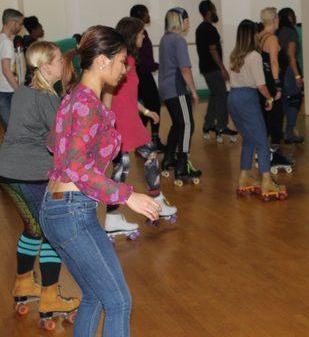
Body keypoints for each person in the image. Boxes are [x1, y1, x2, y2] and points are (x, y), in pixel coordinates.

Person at [39, 25, 161, 337]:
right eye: (122, 61)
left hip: (59, 209)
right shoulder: (85, 103)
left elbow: (56, 144)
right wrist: (127, 195)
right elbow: (77, 165)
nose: (125, 68)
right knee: (119, 300)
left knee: (95, 295)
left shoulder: (76, 97)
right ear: (103, 61)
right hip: (71, 212)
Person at [0, 41, 80, 328]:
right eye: (58, 59)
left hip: (7, 171)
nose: (63, 64)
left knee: (32, 228)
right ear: (45, 65)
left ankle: (23, 285)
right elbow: (61, 141)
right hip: (29, 174)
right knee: (50, 232)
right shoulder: (47, 99)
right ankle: (49, 298)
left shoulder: (23, 91)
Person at [103, 17, 177, 239]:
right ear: (132, 35)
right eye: (142, 33)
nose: (144, 37)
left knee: (134, 162)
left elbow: (126, 96)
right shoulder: (124, 62)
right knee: (131, 164)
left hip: (128, 120)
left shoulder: (127, 60)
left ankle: (119, 213)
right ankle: (150, 203)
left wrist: (145, 112)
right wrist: (106, 121)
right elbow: (108, 90)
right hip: (120, 123)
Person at [227, 20, 286, 200]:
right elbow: (260, 84)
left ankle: (244, 177)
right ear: (252, 35)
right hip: (247, 98)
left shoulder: (234, 55)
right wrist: (269, 97)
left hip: (233, 97)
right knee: (261, 140)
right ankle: (267, 180)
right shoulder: (254, 56)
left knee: (249, 140)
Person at [158, 7, 202, 184]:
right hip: (176, 88)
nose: (188, 23)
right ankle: (182, 166)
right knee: (187, 125)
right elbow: (184, 69)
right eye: (187, 19)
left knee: (178, 124)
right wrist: (193, 90)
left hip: (165, 88)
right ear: (179, 21)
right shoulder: (178, 40)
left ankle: (169, 158)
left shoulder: (165, 39)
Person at [196, 0, 237, 142]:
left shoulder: (200, 28)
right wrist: (223, 69)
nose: (215, 12)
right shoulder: (210, 29)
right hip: (213, 69)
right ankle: (221, 126)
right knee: (222, 96)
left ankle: (208, 125)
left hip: (206, 68)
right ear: (209, 11)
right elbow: (213, 50)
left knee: (215, 96)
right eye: (214, 9)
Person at [258, 7, 292, 171]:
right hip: (271, 84)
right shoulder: (271, 39)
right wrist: (278, 86)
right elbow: (274, 63)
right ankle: (273, 155)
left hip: (262, 83)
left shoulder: (259, 37)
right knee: (276, 119)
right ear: (275, 19)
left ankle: (264, 154)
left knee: (266, 119)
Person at [130, 4, 166, 151]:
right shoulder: (139, 34)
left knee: (146, 108)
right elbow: (143, 60)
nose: (149, 16)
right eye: (146, 13)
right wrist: (158, 66)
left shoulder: (138, 33)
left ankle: (141, 142)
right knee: (155, 105)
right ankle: (154, 140)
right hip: (143, 76)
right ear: (140, 15)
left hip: (141, 75)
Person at [277, 7, 304, 144]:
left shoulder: (278, 32)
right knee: (295, 99)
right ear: (288, 17)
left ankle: (281, 132)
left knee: (284, 101)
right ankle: (289, 133)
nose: (295, 17)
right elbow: (291, 56)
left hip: (280, 71)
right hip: (289, 71)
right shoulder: (291, 33)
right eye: (293, 14)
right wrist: (297, 76)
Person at [0, 8, 24, 130]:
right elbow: (6, 69)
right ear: (12, 22)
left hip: (2, 91)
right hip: (6, 92)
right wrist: (18, 90)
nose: (20, 27)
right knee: (12, 131)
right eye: (20, 23)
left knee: (9, 131)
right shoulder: (7, 43)